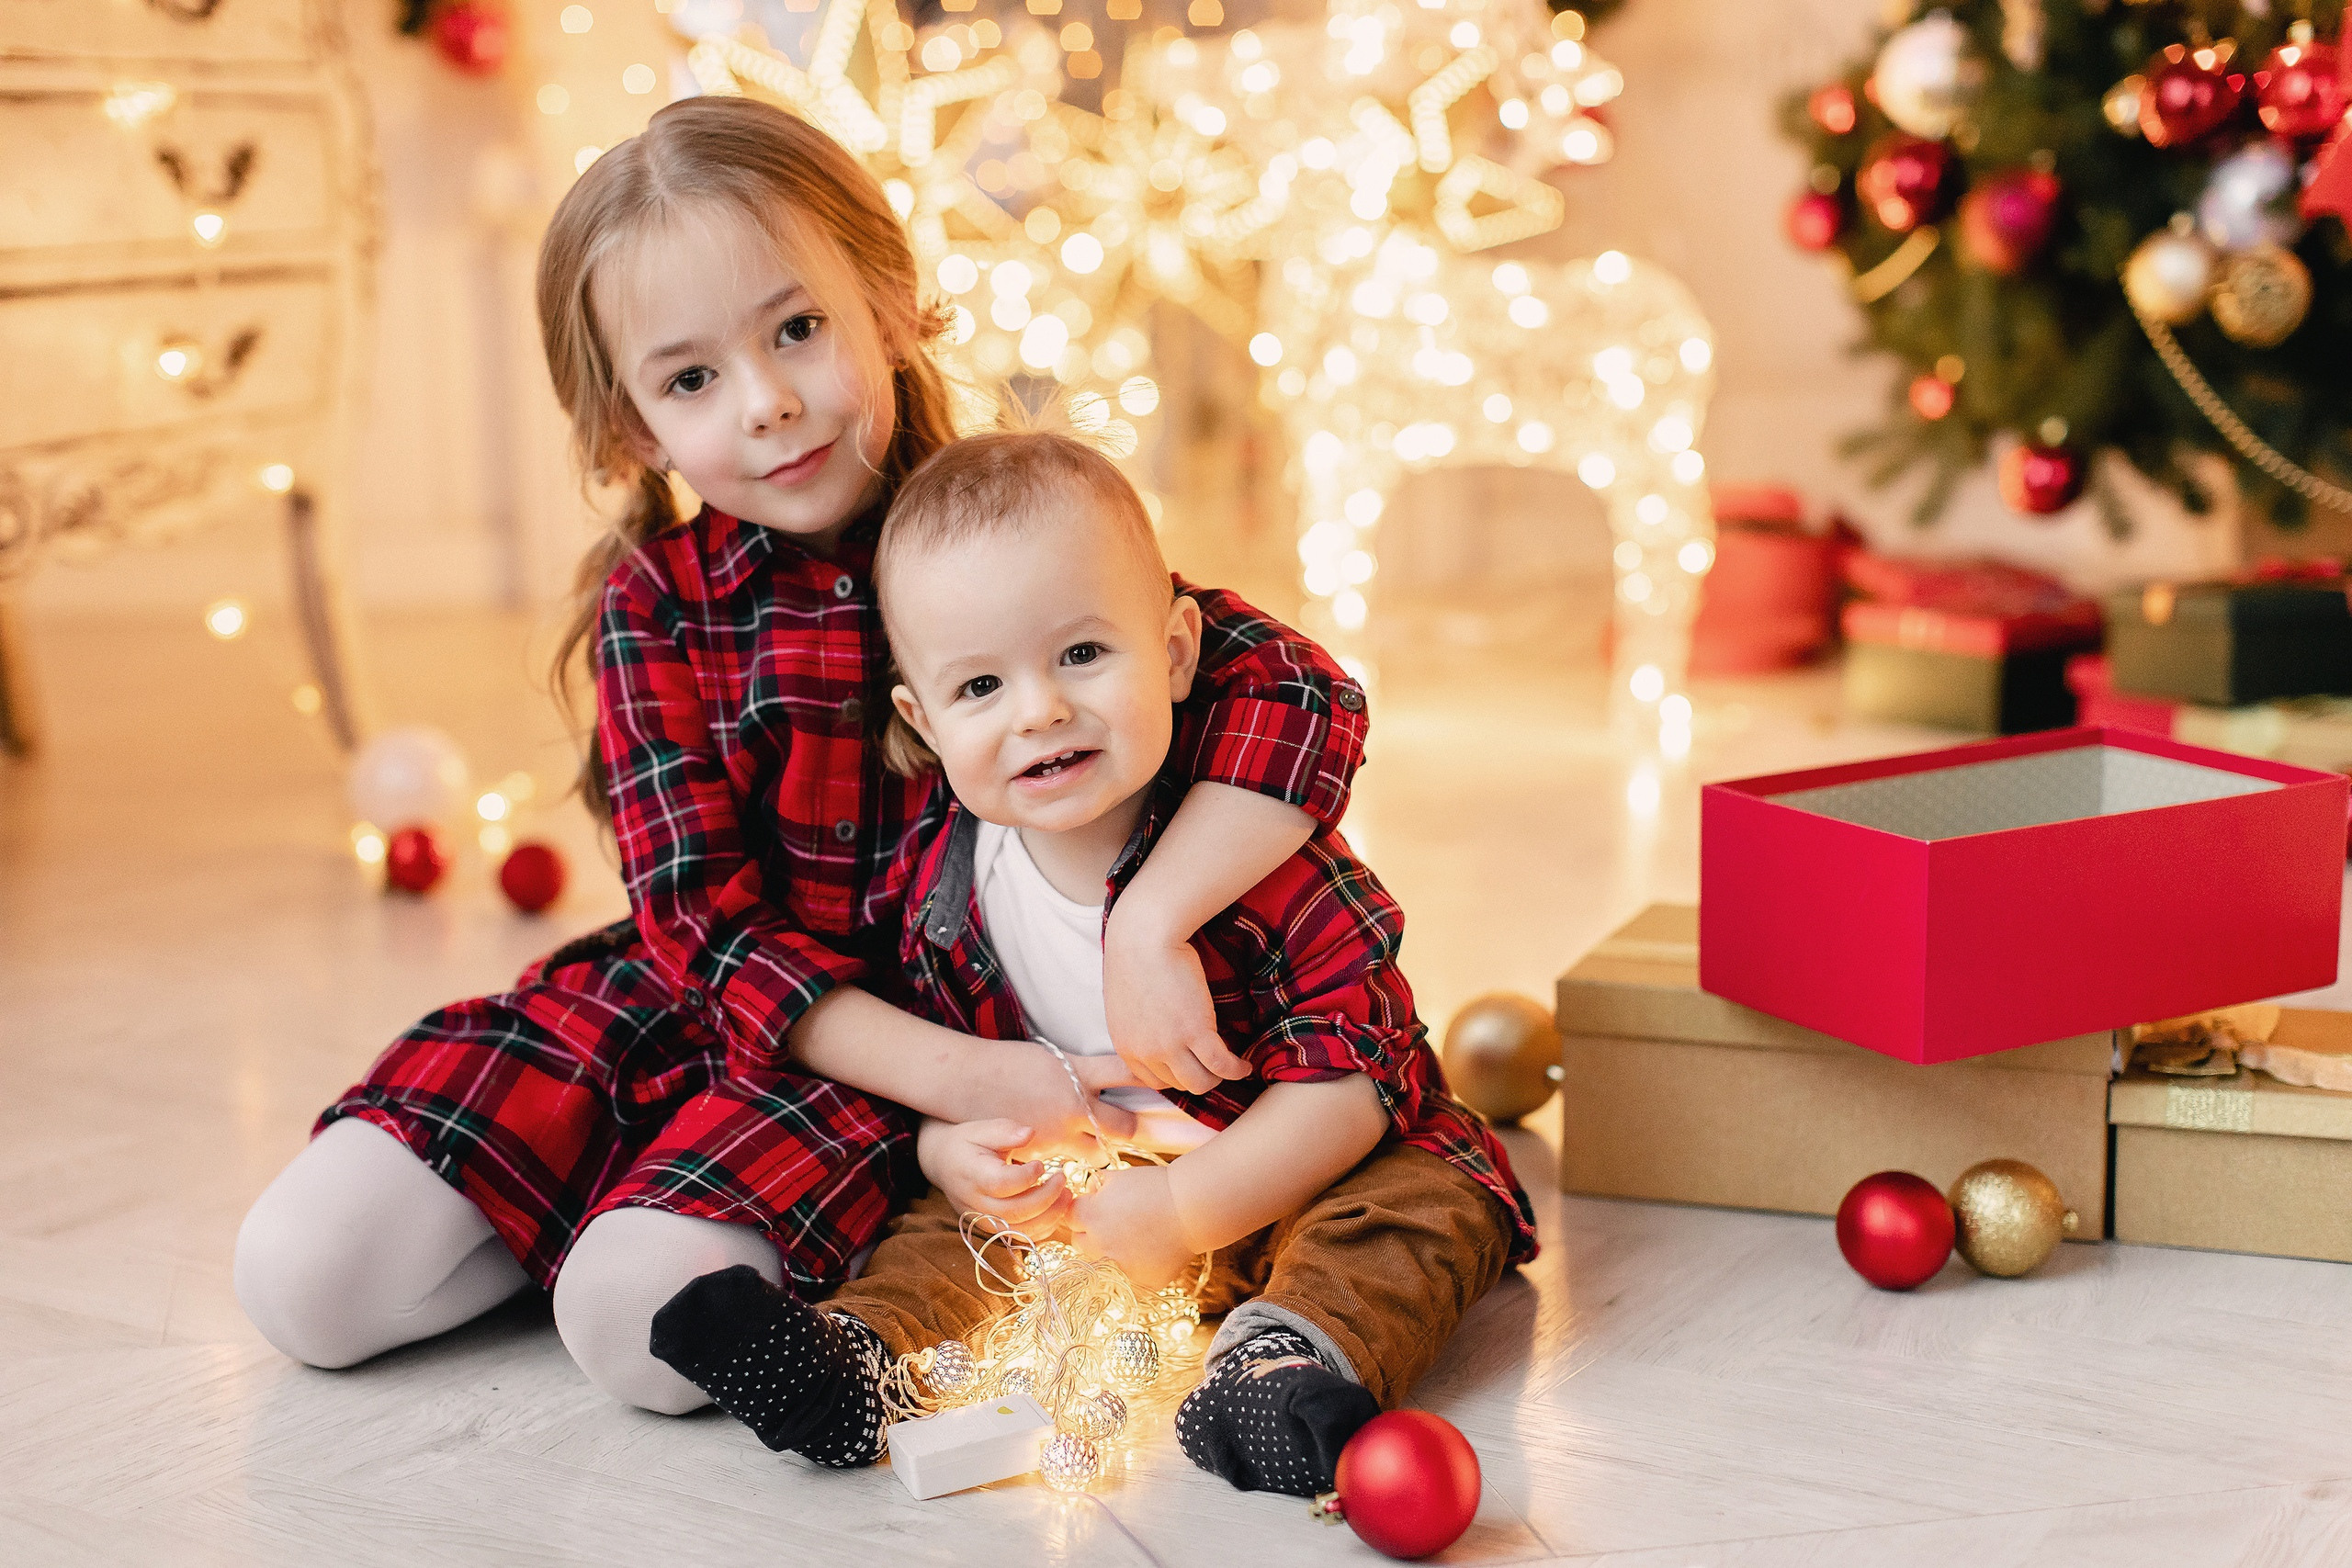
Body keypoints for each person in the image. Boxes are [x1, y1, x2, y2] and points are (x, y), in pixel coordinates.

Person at [232, 97, 1369, 1418]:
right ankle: (596, 1191)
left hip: (903, 1029)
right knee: (302, 1279)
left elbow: (1295, 687)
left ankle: (687, 1234)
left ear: (890, 306)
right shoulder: (656, 604)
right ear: (636, 429)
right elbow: (703, 927)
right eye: (692, 378)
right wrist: (988, 1082)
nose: (768, 403)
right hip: (722, 995)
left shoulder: (997, 526)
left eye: (798, 329)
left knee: (634, 1332)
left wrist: (1148, 925)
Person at [649, 431, 1535, 1495]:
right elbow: (945, 1060)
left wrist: (1187, 1212)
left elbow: (1357, 1088)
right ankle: (858, 1366)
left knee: (1422, 1212)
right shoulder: (942, 884)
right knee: (946, 1232)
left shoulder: (1251, 861)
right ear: (921, 725)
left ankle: (1281, 1362)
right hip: (1090, 1205)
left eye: (1081, 655)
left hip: (1299, 1176)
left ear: (1172, 653)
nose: (1040, 710)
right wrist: (945, 1151)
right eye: (980, 686)